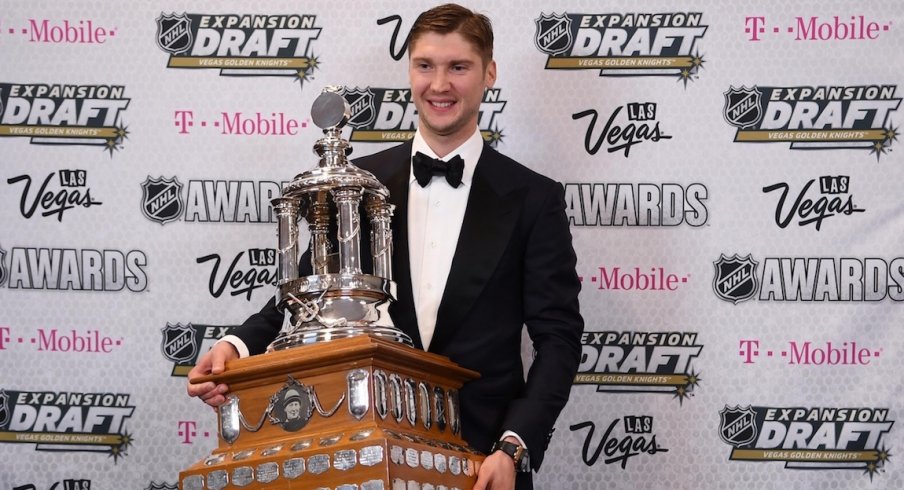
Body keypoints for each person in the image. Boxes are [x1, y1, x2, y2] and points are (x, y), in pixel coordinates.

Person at [187, 4, 583, 489]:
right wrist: (236, 346)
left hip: (485, 464)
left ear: (489, 74)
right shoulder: (358, 185)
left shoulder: (534, 198)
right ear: (410, 71)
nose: (440, 85)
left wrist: (513, 446)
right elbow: (310, 299)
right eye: (425, 66)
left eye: (458, 67)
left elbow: (558, 340)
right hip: (364, 457)